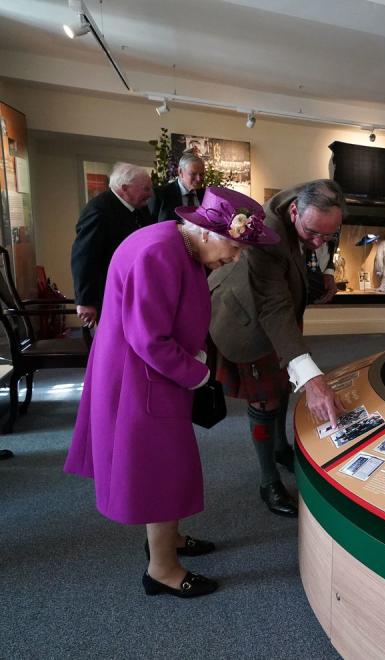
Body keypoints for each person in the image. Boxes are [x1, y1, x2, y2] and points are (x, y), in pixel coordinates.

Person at [64, 187, 280, 598]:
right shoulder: (160, 254)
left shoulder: (172, 239)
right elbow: (149, 340)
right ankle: (161, 568)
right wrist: (200, 374)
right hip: (142, 377)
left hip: (149, 371)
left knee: (169, 462)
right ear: (207, 231)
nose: (234, 258)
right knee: (160, 468)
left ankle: (170, 539)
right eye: (234, 247)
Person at [208, 180, 346, 517]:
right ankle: (267, 480)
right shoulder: (266, 235)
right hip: (247, 319)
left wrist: (325, 267)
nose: (318, 242)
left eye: (326, 235)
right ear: (295, 211)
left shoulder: (320, 208)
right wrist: (313, 380)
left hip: (280, 311)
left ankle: (280, 446)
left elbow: (321, 238)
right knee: (264, 398)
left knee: (283, 386)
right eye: (313, 233)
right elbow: (272, 307)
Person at [70, 162, 154, 327]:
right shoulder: (99, 210)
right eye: (145, 189)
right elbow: (84, 256)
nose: (150, 194)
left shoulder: (140, 208)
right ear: (125, 188)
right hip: (109, 294)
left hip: (134, 291)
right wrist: (85, 300)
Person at [149, 152, 206, 221]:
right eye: (193, 174)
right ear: (180, 172)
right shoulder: (160, 194)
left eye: (201, 174)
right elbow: (149, 227)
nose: (198, 179)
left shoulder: (206, 196)